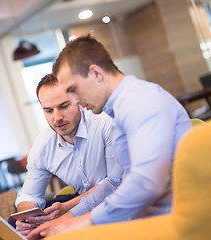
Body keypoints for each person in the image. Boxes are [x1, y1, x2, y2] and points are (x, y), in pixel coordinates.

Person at [27, 35, 192, 239]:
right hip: (146, 219)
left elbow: (145, 184)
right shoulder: (122, 109)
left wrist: (86, 220)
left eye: (73, 90)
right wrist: (70, 217)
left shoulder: (140, 102)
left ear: (96, 73)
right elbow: (115, 181)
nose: (75, 101)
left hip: (169, 222)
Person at [13, 74, 116, 236]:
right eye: (48, 110)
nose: (57, 118)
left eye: (64, 106)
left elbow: (115, 183)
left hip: (113, 198)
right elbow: (28, 195)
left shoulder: (104, 123)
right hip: (81, 199)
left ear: (79, 101)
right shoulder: (43, 144)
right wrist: (27, 218)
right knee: (15, 223)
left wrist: (67, 208)